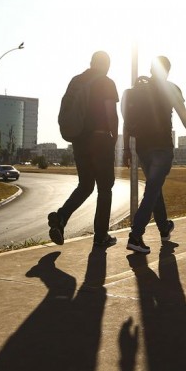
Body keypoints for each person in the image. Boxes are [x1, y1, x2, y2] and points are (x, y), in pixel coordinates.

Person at [124, 56, 186, 254]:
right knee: (152, 190)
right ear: (168, 71)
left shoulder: (139, 89)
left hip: (142, 148)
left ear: (151, 69)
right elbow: (183, 114)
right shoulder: (170, 88)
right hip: (161, 147)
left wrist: (126, 149)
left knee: (154, 188)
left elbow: (127, 119)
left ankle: (164, 228)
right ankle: (135, 235)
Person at [48, 51, 120, 248]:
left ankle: (61, 218)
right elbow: (111, 114)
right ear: (106, 65)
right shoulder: (106, 82)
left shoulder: (76, 81)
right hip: (100, 138)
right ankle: (101, 236)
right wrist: (114, 138)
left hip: (80, 141)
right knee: (105, 188)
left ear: (91, 63)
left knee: (86, 185)